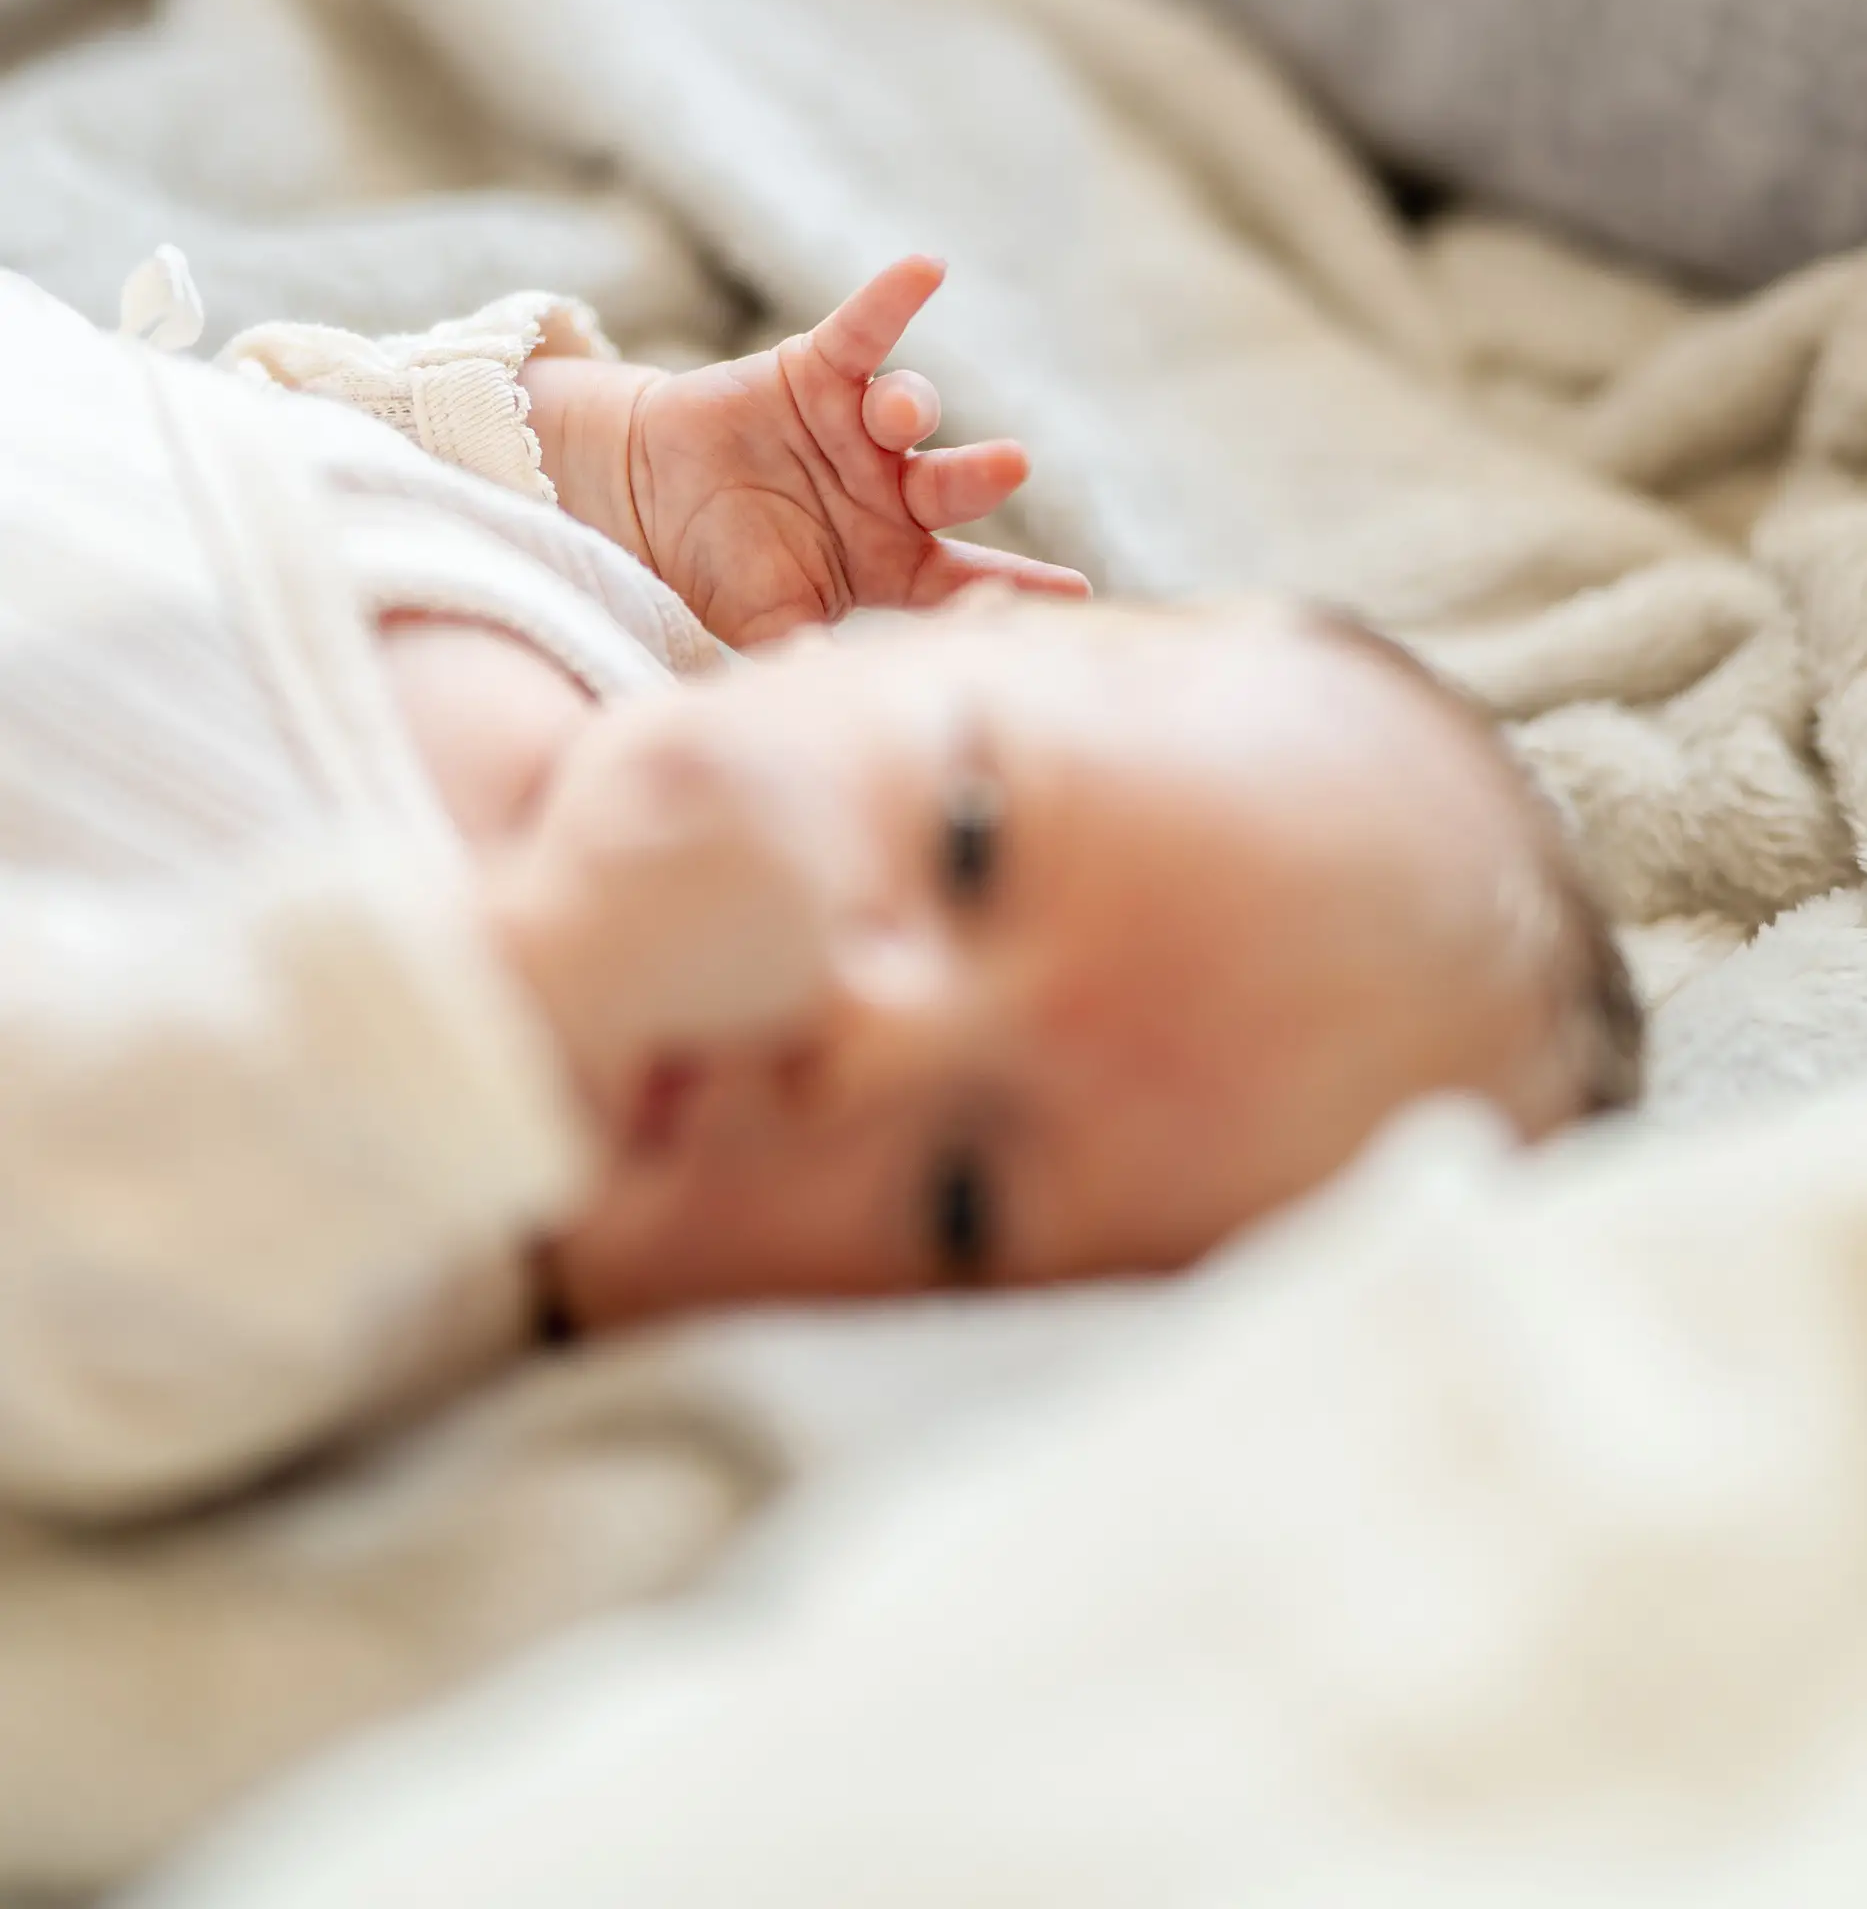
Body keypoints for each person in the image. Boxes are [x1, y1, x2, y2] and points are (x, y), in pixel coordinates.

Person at [0, 252, 1637, 1520]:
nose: (858, 1022)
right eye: (970, 848)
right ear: (956, 642)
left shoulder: (362, 1219)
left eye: (956, 1202)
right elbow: (254, 446)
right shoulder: (607, 637)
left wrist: (525, 990)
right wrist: (600, 469)